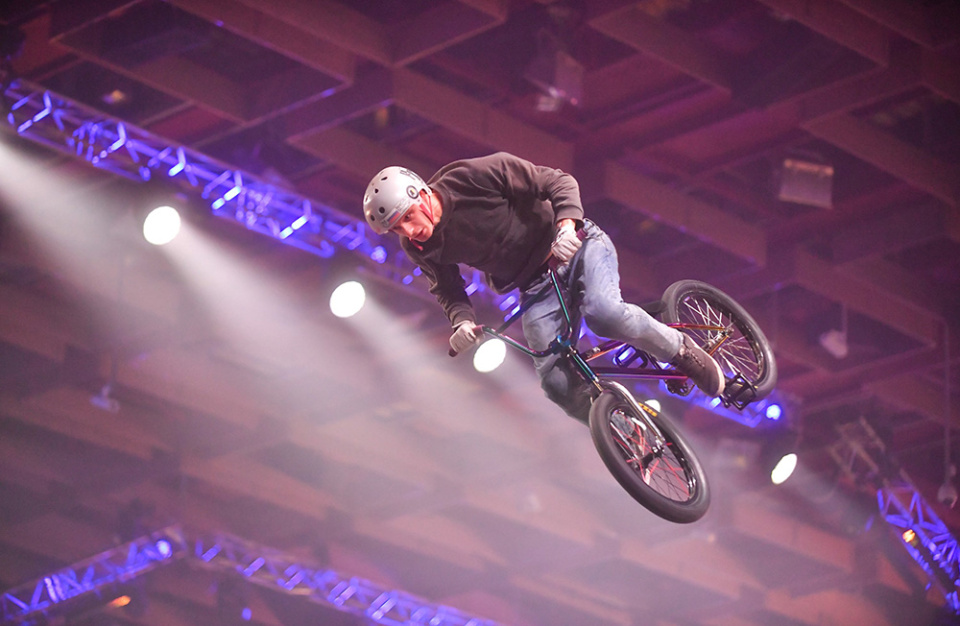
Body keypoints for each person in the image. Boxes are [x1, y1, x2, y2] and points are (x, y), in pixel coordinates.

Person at [361, 152, 723, 422]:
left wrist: (566, 226)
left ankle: (681, 351)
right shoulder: (417, 246)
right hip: (536, 287)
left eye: (408, 217)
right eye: (397, 228)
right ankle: (624, 435)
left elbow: (557, 181)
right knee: (555, 383)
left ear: (421, 194)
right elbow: (447, 287)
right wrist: (461, 322)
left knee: (604, 315)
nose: (409, 231)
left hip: (577, 246)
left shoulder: (471, 177)